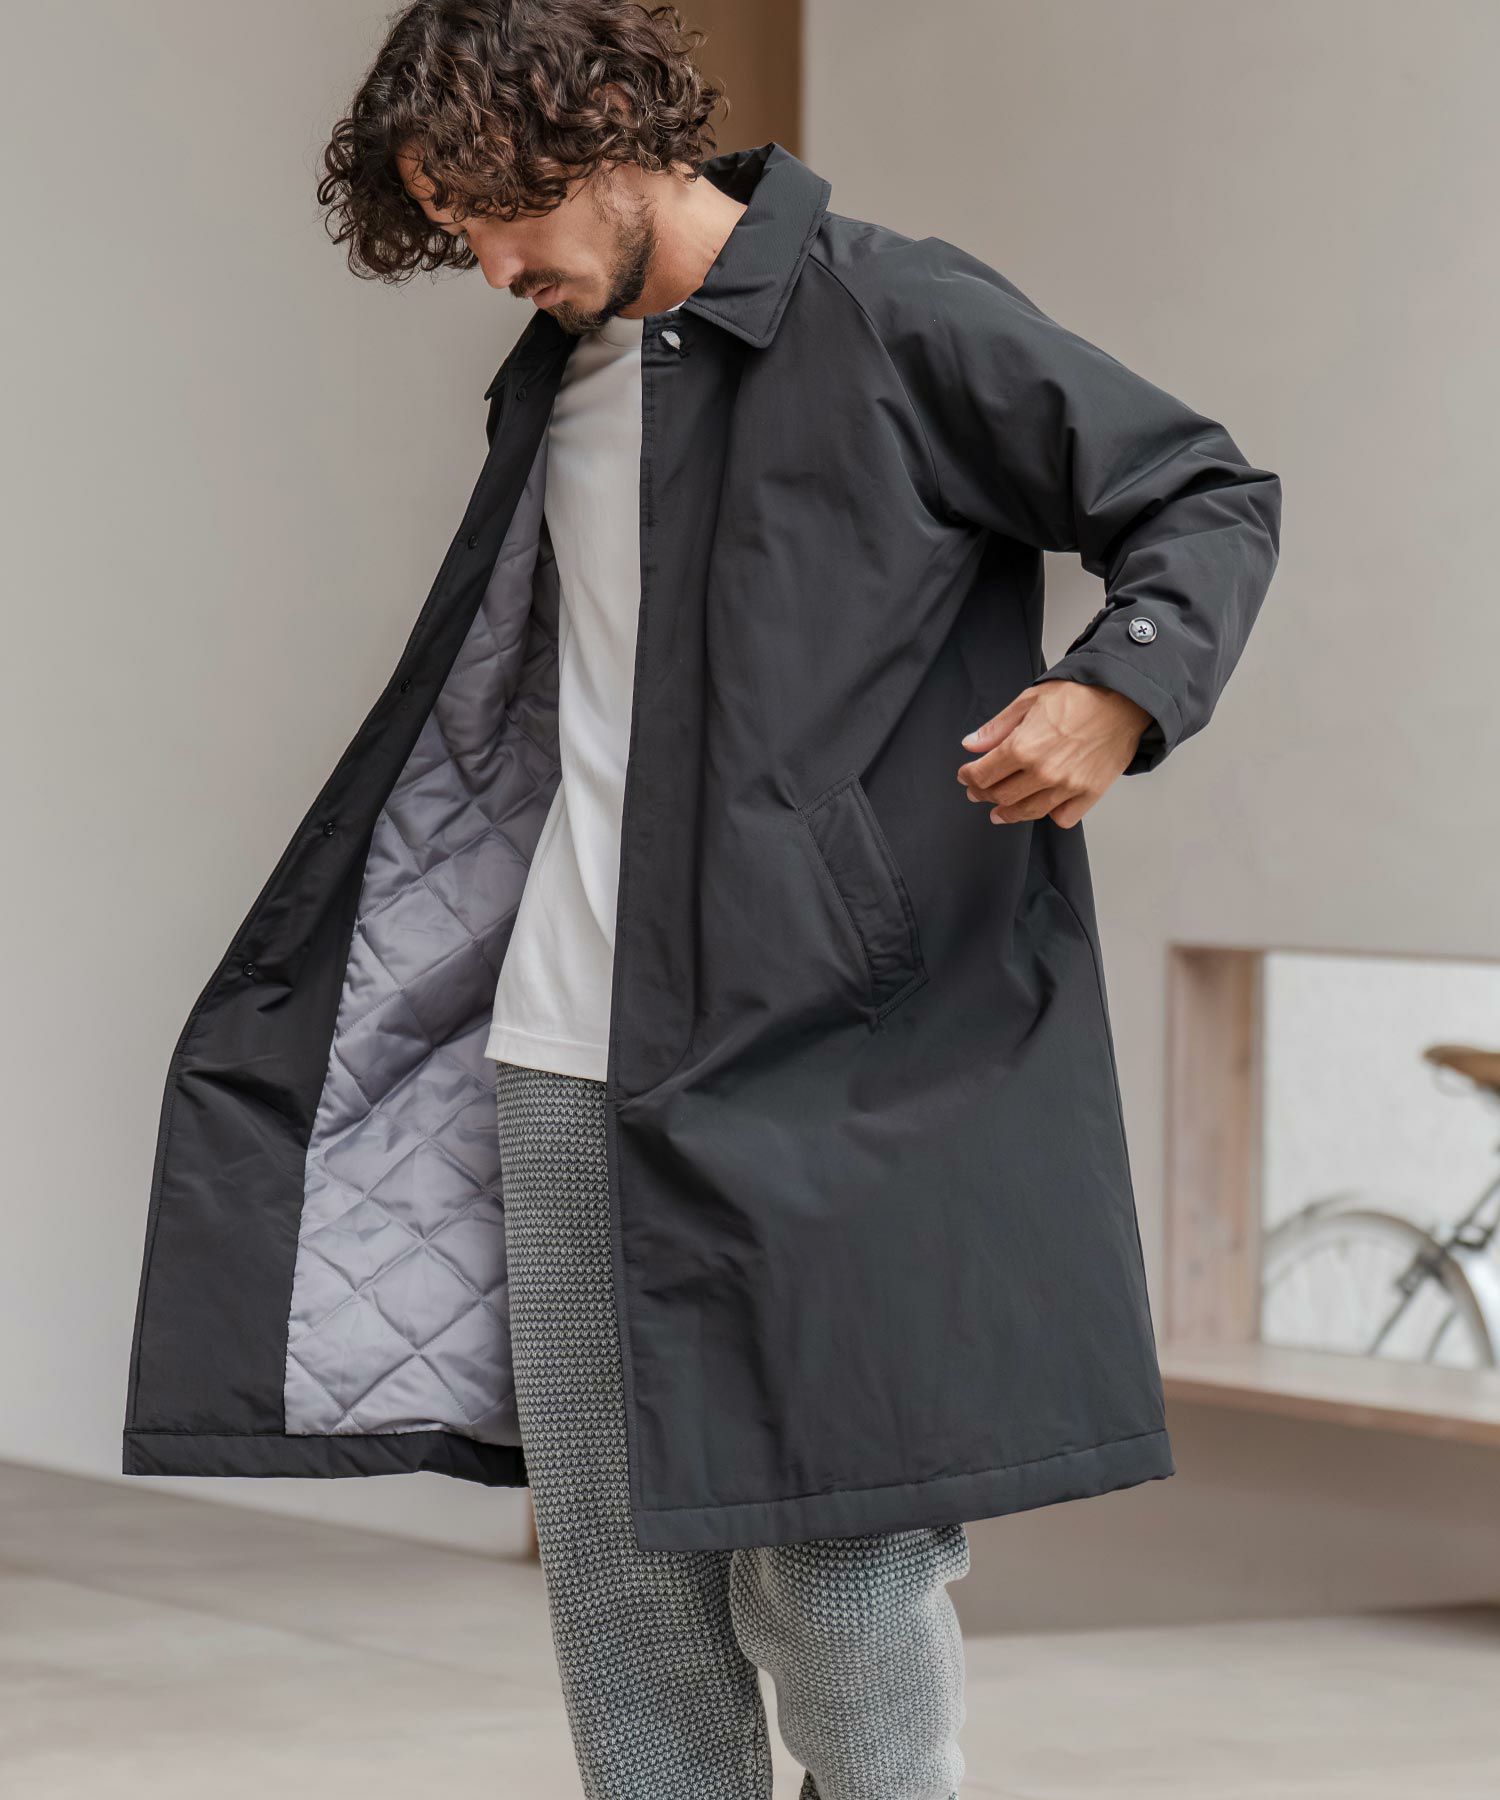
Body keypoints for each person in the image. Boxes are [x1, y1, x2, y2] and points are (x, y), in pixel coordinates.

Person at [125, 3, 1281, 1797]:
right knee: (627, 1599)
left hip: (840, 1053)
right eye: (453, 231)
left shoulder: (894, 310)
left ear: (597, 129)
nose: (487, 264)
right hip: (564, 1052)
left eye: (494, 210)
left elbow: (1200, 490)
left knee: (844, 1569)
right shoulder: (562, 373)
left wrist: (1117, 690)